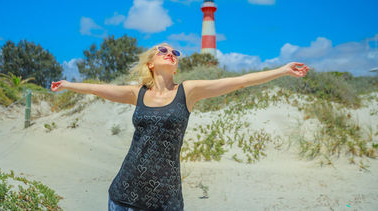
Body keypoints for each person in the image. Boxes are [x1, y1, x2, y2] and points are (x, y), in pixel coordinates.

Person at [51, 43, 309, 211]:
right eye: (164, 50)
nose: (171, 54)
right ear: (151, 63)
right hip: (125, 195)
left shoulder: (188, 91)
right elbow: (100, 89)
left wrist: (281, 70)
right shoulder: (137, 93)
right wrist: (68, 85)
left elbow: (238, 81)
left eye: (176, 53)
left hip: (166, 198)